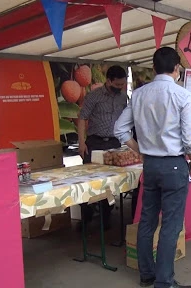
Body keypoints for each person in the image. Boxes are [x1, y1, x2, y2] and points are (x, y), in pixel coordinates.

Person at [114, 47, 191, 288]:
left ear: (153, 69)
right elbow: (190, 140)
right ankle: (164, 281)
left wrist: (139, 149)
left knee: (147, 220)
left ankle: (147, 275)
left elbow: (119, 129)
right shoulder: (182, 96)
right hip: (173, 165)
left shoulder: (139, 94)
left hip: (149, 165)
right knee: (171, 224)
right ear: (177, 69)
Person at [77, 65, 128, 230]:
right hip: (95, 142)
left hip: (114, 143)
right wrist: (81, 143)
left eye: (123, 84)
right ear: (108, 80)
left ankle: (105, 218)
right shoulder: (94, 96)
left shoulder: (122, 98)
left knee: (111, 183)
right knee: (89, 182)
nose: (120, 88)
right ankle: (85, 218)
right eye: (118, 84)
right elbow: (82, 118)